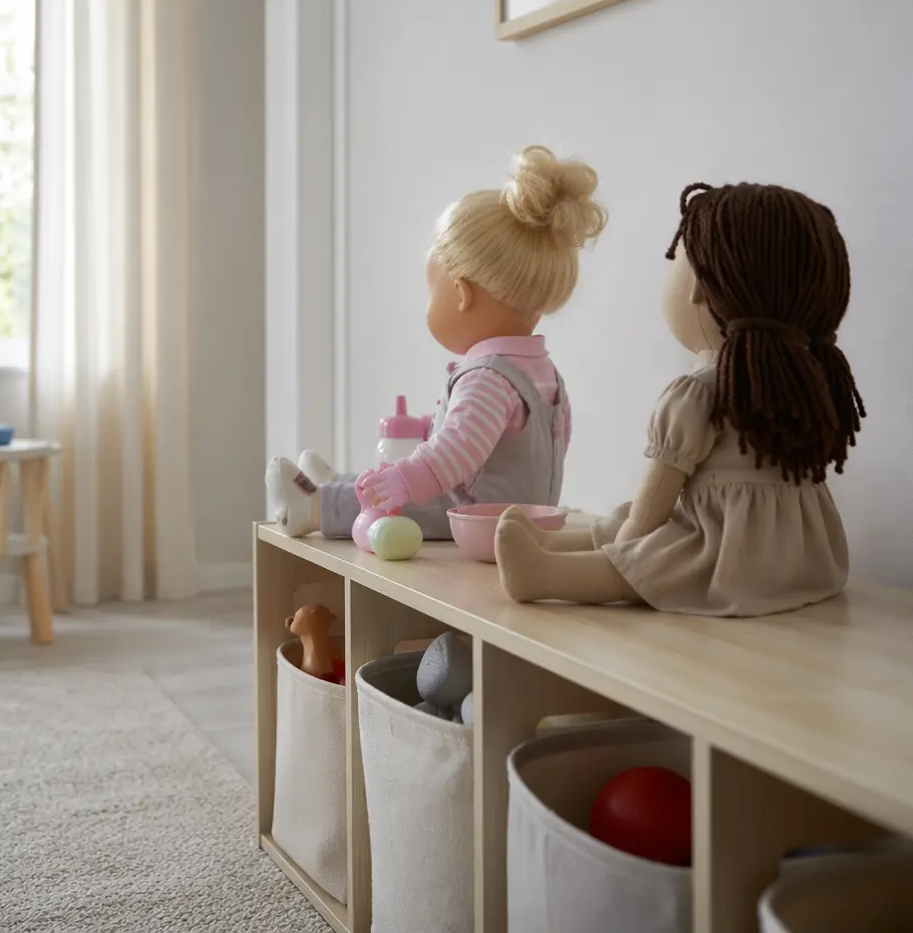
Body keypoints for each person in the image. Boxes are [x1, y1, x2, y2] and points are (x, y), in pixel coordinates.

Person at [495, 182, 865, 616]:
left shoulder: (701, 391)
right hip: (804, 560)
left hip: (734, 563)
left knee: (655, 557)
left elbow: (655, 504)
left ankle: (543, 574)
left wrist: (631, 543)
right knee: (647, 524)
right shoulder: (811, 380)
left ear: (699, 289)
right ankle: (558, 541)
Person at [266, 145, 606, 539]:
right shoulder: (543, 372)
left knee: (404, 499)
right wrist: (432, 427)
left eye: (433, 291)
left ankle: (315, 506)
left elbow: (454, 454)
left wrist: (411, 475)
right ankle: (340, 483)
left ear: (461, 294)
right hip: (526, 514)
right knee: (402, 479)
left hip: (475, 516)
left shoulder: (488, 378)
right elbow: (521, 445)